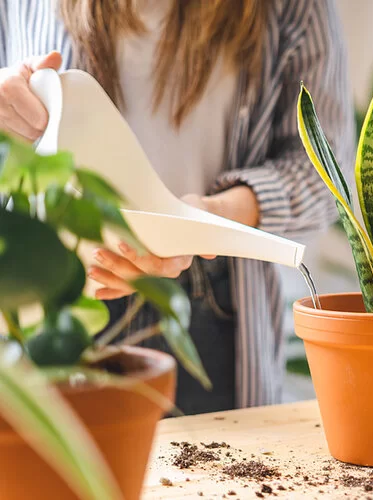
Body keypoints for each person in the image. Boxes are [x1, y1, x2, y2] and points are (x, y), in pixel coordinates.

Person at [0, 0, 354, 413]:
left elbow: (326, 172)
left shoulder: (291, 8)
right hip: (65, 294)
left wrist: (210, 216)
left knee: (225, 468)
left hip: (215, 301)